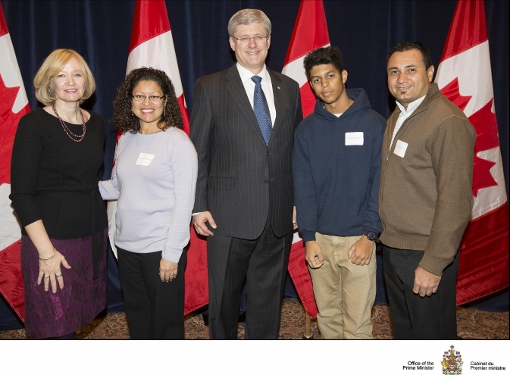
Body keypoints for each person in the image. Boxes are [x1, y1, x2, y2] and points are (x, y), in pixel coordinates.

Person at [190, 8, 302, 339]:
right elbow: (199, 151)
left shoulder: (290, 87)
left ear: (268, 41)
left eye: (258, 36)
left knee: (268, 301)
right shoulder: (210, 86)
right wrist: (197, 205)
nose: (252, 44)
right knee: (223, 301)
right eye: (244, 37)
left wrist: (298, 202)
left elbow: (295, 152)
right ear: (232, 43)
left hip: (278, 215)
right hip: (226, 216)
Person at [379, 41, 476, 339]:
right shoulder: (398, 116)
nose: (401, 79)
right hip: (395, 249)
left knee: (432, 340)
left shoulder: (447, 122)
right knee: (407, 335)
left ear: (430, 72)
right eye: (394, 71)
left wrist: (434, 264)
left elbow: (456, 202)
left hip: (423, 254)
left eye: (411, 69)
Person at [9, 49, 107, 339]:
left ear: (86, 80)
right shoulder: (33, 125)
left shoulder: (97, 123)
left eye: (77, 73)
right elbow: (22, 195)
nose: (70, 81)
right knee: (52, 329)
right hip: (52, 244)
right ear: (49, 83)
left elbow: (91, 180)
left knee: (77, 319)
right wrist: (47, 252)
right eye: (60, 75)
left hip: (92, 237)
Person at [293, 46, 386, 339]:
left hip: (358, 240)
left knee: (357, 324)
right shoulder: (306, 131)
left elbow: (379, 183)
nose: (324, 85)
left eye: (330, 76)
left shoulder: (374, 124)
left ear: (343, 76)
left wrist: (370, 235)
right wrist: (308, 238)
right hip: (320, 241)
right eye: (316, 80)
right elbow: (303, 187)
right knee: (328, 319)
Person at [98, 67, 197, 339]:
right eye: (139, 96)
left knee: (166, 325)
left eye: (154, 96)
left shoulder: (177, 141)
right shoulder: (127, 139)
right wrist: (79, 189)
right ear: (129, 101)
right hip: (127, 247)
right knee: (138, 318)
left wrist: (171, 254)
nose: (147, 103)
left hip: (160, 249)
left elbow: (184, 202)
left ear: (166, 101)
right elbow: (118, 187)